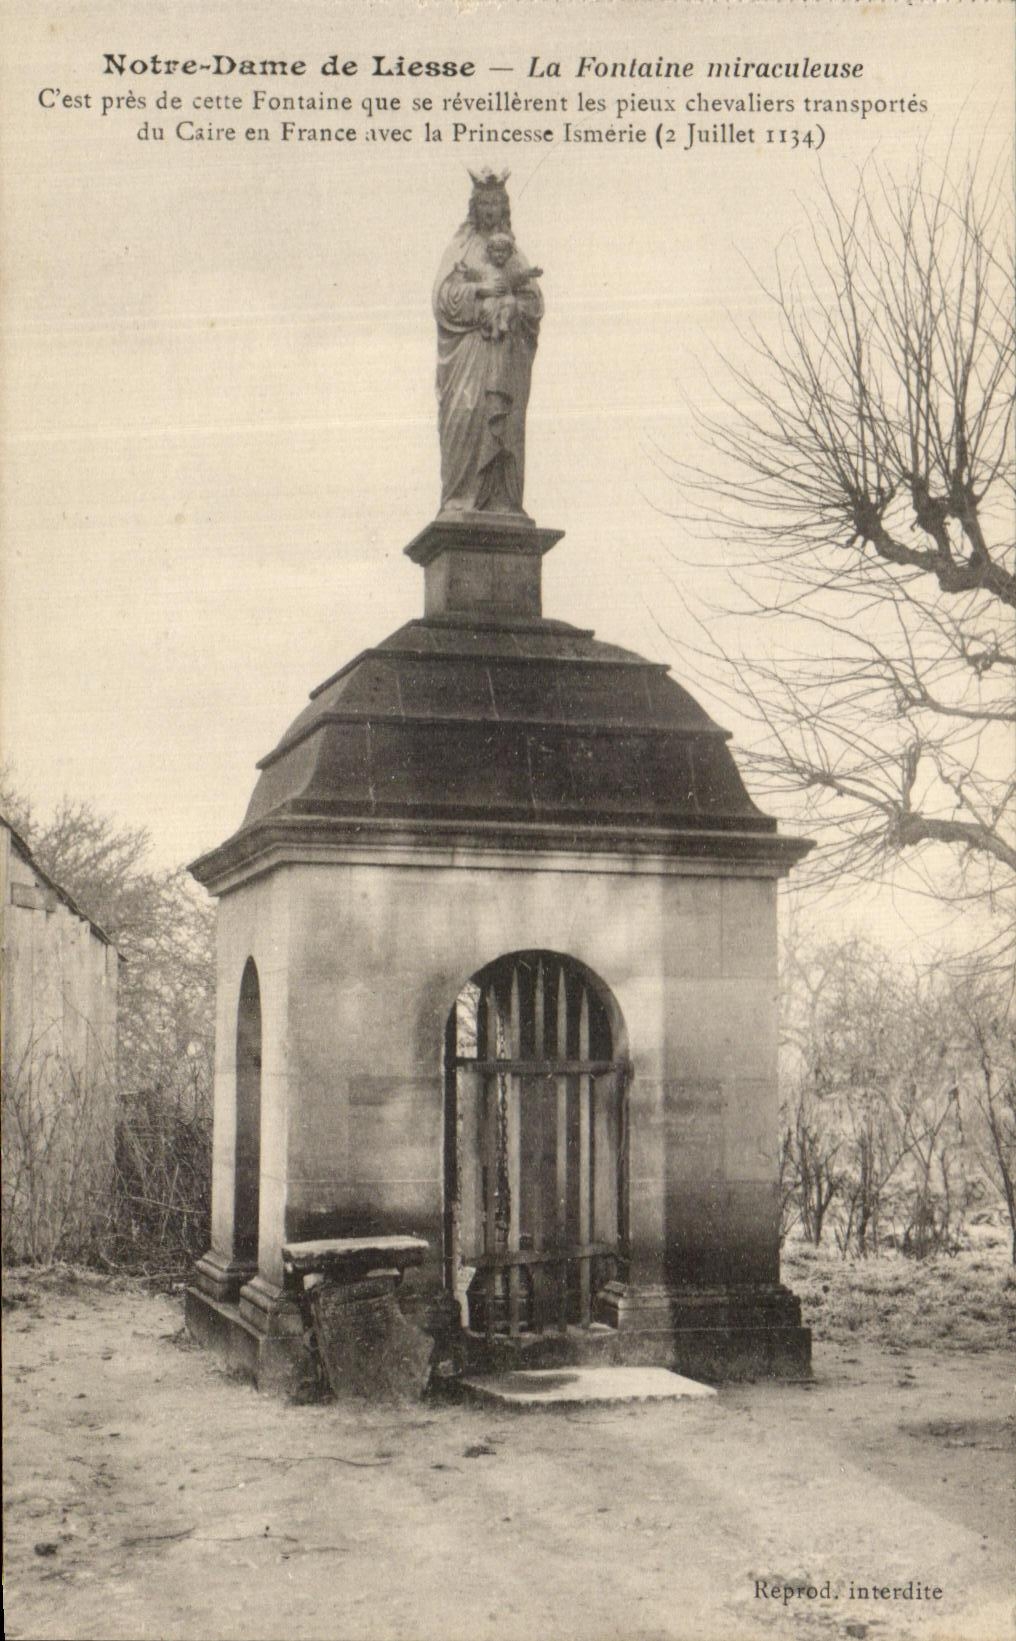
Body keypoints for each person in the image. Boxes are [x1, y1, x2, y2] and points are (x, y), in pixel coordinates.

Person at [432, 171, 544, 517]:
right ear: (475, 207)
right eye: (484, 203)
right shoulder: (460, 249)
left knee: (505, 424)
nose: (490, 210)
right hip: (469, 356)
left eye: (497, 203)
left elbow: (534, 303)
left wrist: (514, 306)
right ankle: (461, 498)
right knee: (466, 414)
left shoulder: (513, 253)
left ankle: (502, 502)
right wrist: (480, 294)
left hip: (504, 357)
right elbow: (443, 299)